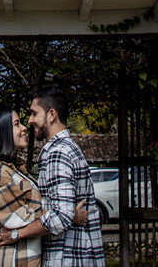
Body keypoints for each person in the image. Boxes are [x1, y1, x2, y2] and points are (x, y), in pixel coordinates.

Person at [0, 107, 88, 267]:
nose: (24, 127)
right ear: (1, 131)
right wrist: (67, 215)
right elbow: (17, 219)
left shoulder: (13, 168)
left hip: (21, 257)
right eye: (16, 124)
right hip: (10, 258)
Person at [28, 86, 106, 267]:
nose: (30, 120)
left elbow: (61, 216)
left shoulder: (57, 153)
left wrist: (18, 233)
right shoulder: (68, 148)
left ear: (51, 114)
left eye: (34, 113)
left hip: (66, 256)